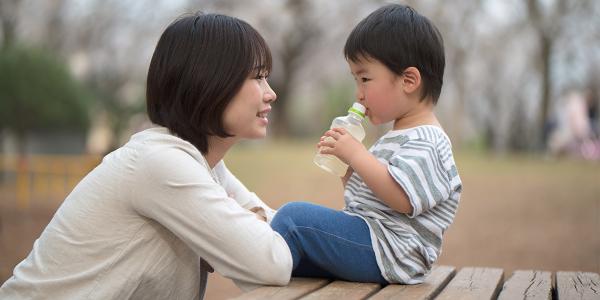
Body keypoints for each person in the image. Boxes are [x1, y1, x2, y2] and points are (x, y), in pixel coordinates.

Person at [0, 12, 291, 299]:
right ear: (209, 81)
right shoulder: (161, 163)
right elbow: (272, 263)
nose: (271, 93)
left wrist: (244, 225)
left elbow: (285, 233)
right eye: (257, 77)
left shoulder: (205, 165)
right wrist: (247, 229)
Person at [271, 4, 462, 285]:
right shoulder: (396, 136)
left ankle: (247, 257)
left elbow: (402, 199)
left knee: (293, 220)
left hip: (391, 251)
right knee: (293, 256)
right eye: (355, 80)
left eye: (365, 79)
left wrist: (356, 153)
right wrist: (347, 168)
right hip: (375, 243)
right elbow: (367, 198)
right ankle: (257, 257)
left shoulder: (429, 141)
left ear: (408, 80)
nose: (358, 94)